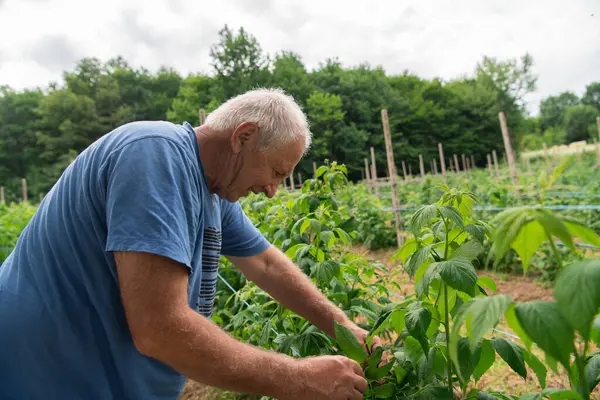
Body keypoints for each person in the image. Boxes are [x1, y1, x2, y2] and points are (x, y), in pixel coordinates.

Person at [0, 88, 381, 400]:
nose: (271, 191)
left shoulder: (214, 190)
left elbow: (265, 264)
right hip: (45, 375)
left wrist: (345, 329)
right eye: (276, 172)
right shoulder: (154, 155)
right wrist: (296, 379)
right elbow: (159, 328)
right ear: (243, 137)